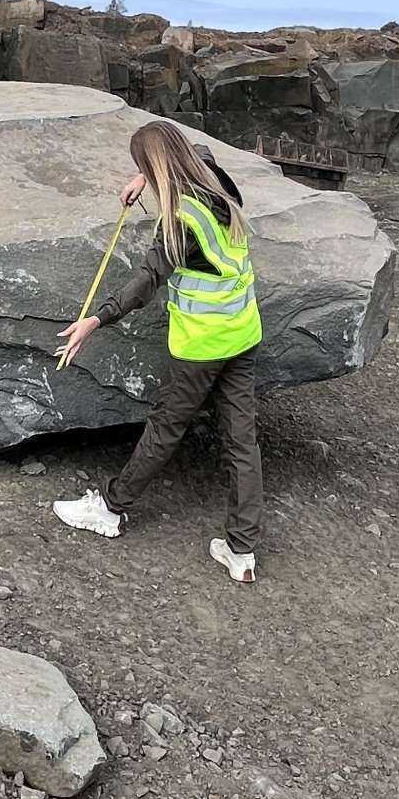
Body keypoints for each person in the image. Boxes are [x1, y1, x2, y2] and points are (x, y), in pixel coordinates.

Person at [52, 119, 264, 584]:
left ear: (156, 166)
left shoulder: (181, 222)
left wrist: (94, 320)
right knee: (241, 440)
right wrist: (145, 177)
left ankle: (111, 508)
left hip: (201, 346)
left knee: (166, 427)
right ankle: (242, 551)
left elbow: (145, 281)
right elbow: (199, 150)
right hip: (243, 334)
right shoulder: (218, 181)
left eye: (142, 167)